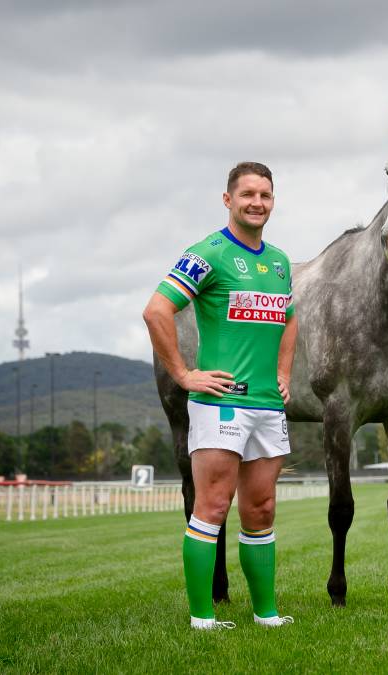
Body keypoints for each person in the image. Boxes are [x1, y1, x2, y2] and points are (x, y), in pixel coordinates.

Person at [143, 161, 298, 630]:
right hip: (221, 404)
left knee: (262, 509)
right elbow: (156, 312)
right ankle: (203, 619)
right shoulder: (207, 253)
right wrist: (184, 374)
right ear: (228, 199)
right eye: (248, 194)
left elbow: (289, 317)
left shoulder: (280, 261)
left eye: (265, 195)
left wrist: (283, 372)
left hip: (268, 406)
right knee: (211, 506)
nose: (257, 203)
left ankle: (267, 614)